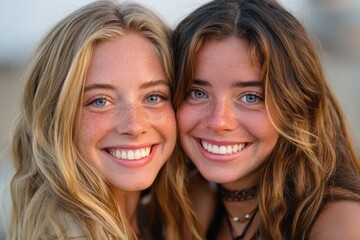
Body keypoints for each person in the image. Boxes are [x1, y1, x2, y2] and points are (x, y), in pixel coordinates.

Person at [9, 1, 202, 239]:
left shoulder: (159, 220)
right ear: (55, 118)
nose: (134, 126)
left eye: (153, 97)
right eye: (100, 101)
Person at [172, 0, 360, 239]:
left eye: (251, 97)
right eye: (198, 93)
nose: (219, 121)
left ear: (296, 105)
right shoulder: (187, 207)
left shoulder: (340, 222)